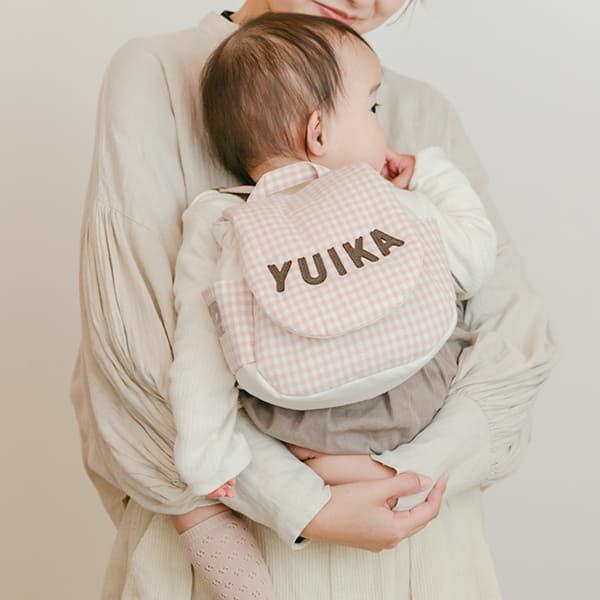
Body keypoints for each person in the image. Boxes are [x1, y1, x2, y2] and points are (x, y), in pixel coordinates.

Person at [70, 2, 557, 598]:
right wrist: (304, 504)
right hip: (245, 551)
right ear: (317, 131)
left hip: (422, 552)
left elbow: (516, 343)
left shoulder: (424, 108)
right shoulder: (158, 74)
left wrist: (403, 471)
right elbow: (133, 364)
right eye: (370, 109)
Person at [169, 14, 497, 598]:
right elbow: (474, 260)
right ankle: (376, 471)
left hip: (297, 424)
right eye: (371, 107)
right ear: (318, 134)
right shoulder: (386, 202)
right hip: (417, 398)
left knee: (240, 377)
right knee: (458, 330)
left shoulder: (223, 224)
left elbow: (198, 354)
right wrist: (433, 175)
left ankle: (329, 467)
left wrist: (207, 458)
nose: (380, 122)